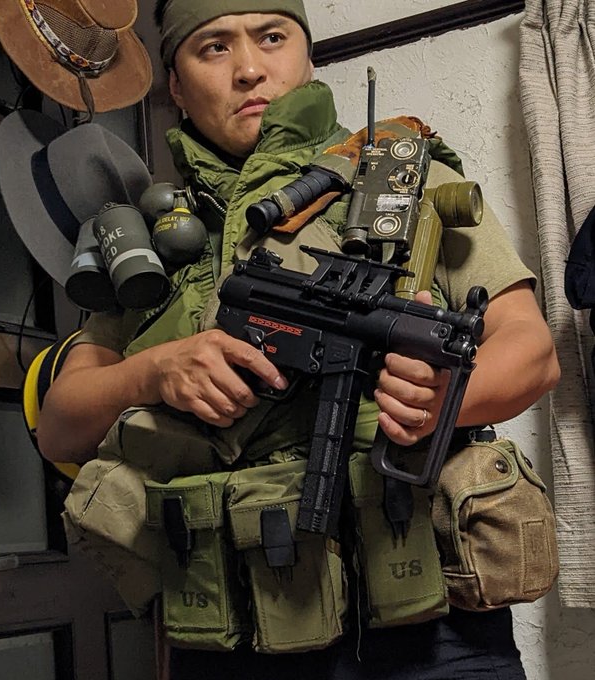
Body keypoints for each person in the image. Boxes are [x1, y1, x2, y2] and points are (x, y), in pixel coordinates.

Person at [37, 1, 560, 678]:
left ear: (307, 57)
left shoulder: (400, 179)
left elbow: (531, 352)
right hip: (233, 630)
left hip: (429, 623)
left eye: (272, 37)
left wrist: (440, 403)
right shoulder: (154, 236)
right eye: (214, 47)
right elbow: (60, 427)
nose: (250, 69)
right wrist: (154, 370)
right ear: (176, 85)